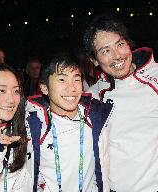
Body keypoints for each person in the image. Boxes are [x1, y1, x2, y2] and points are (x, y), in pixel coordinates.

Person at [83, 15, 158, 192]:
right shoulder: (93, 96)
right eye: (105, 51)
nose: (116, 56)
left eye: (120, 44)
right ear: (94, 60)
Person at [25, 54, 113, 191]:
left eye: (76, 79)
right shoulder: (34, 126)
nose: (71, 88)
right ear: (44, 88)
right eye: (62, 79)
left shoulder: (96, 118)